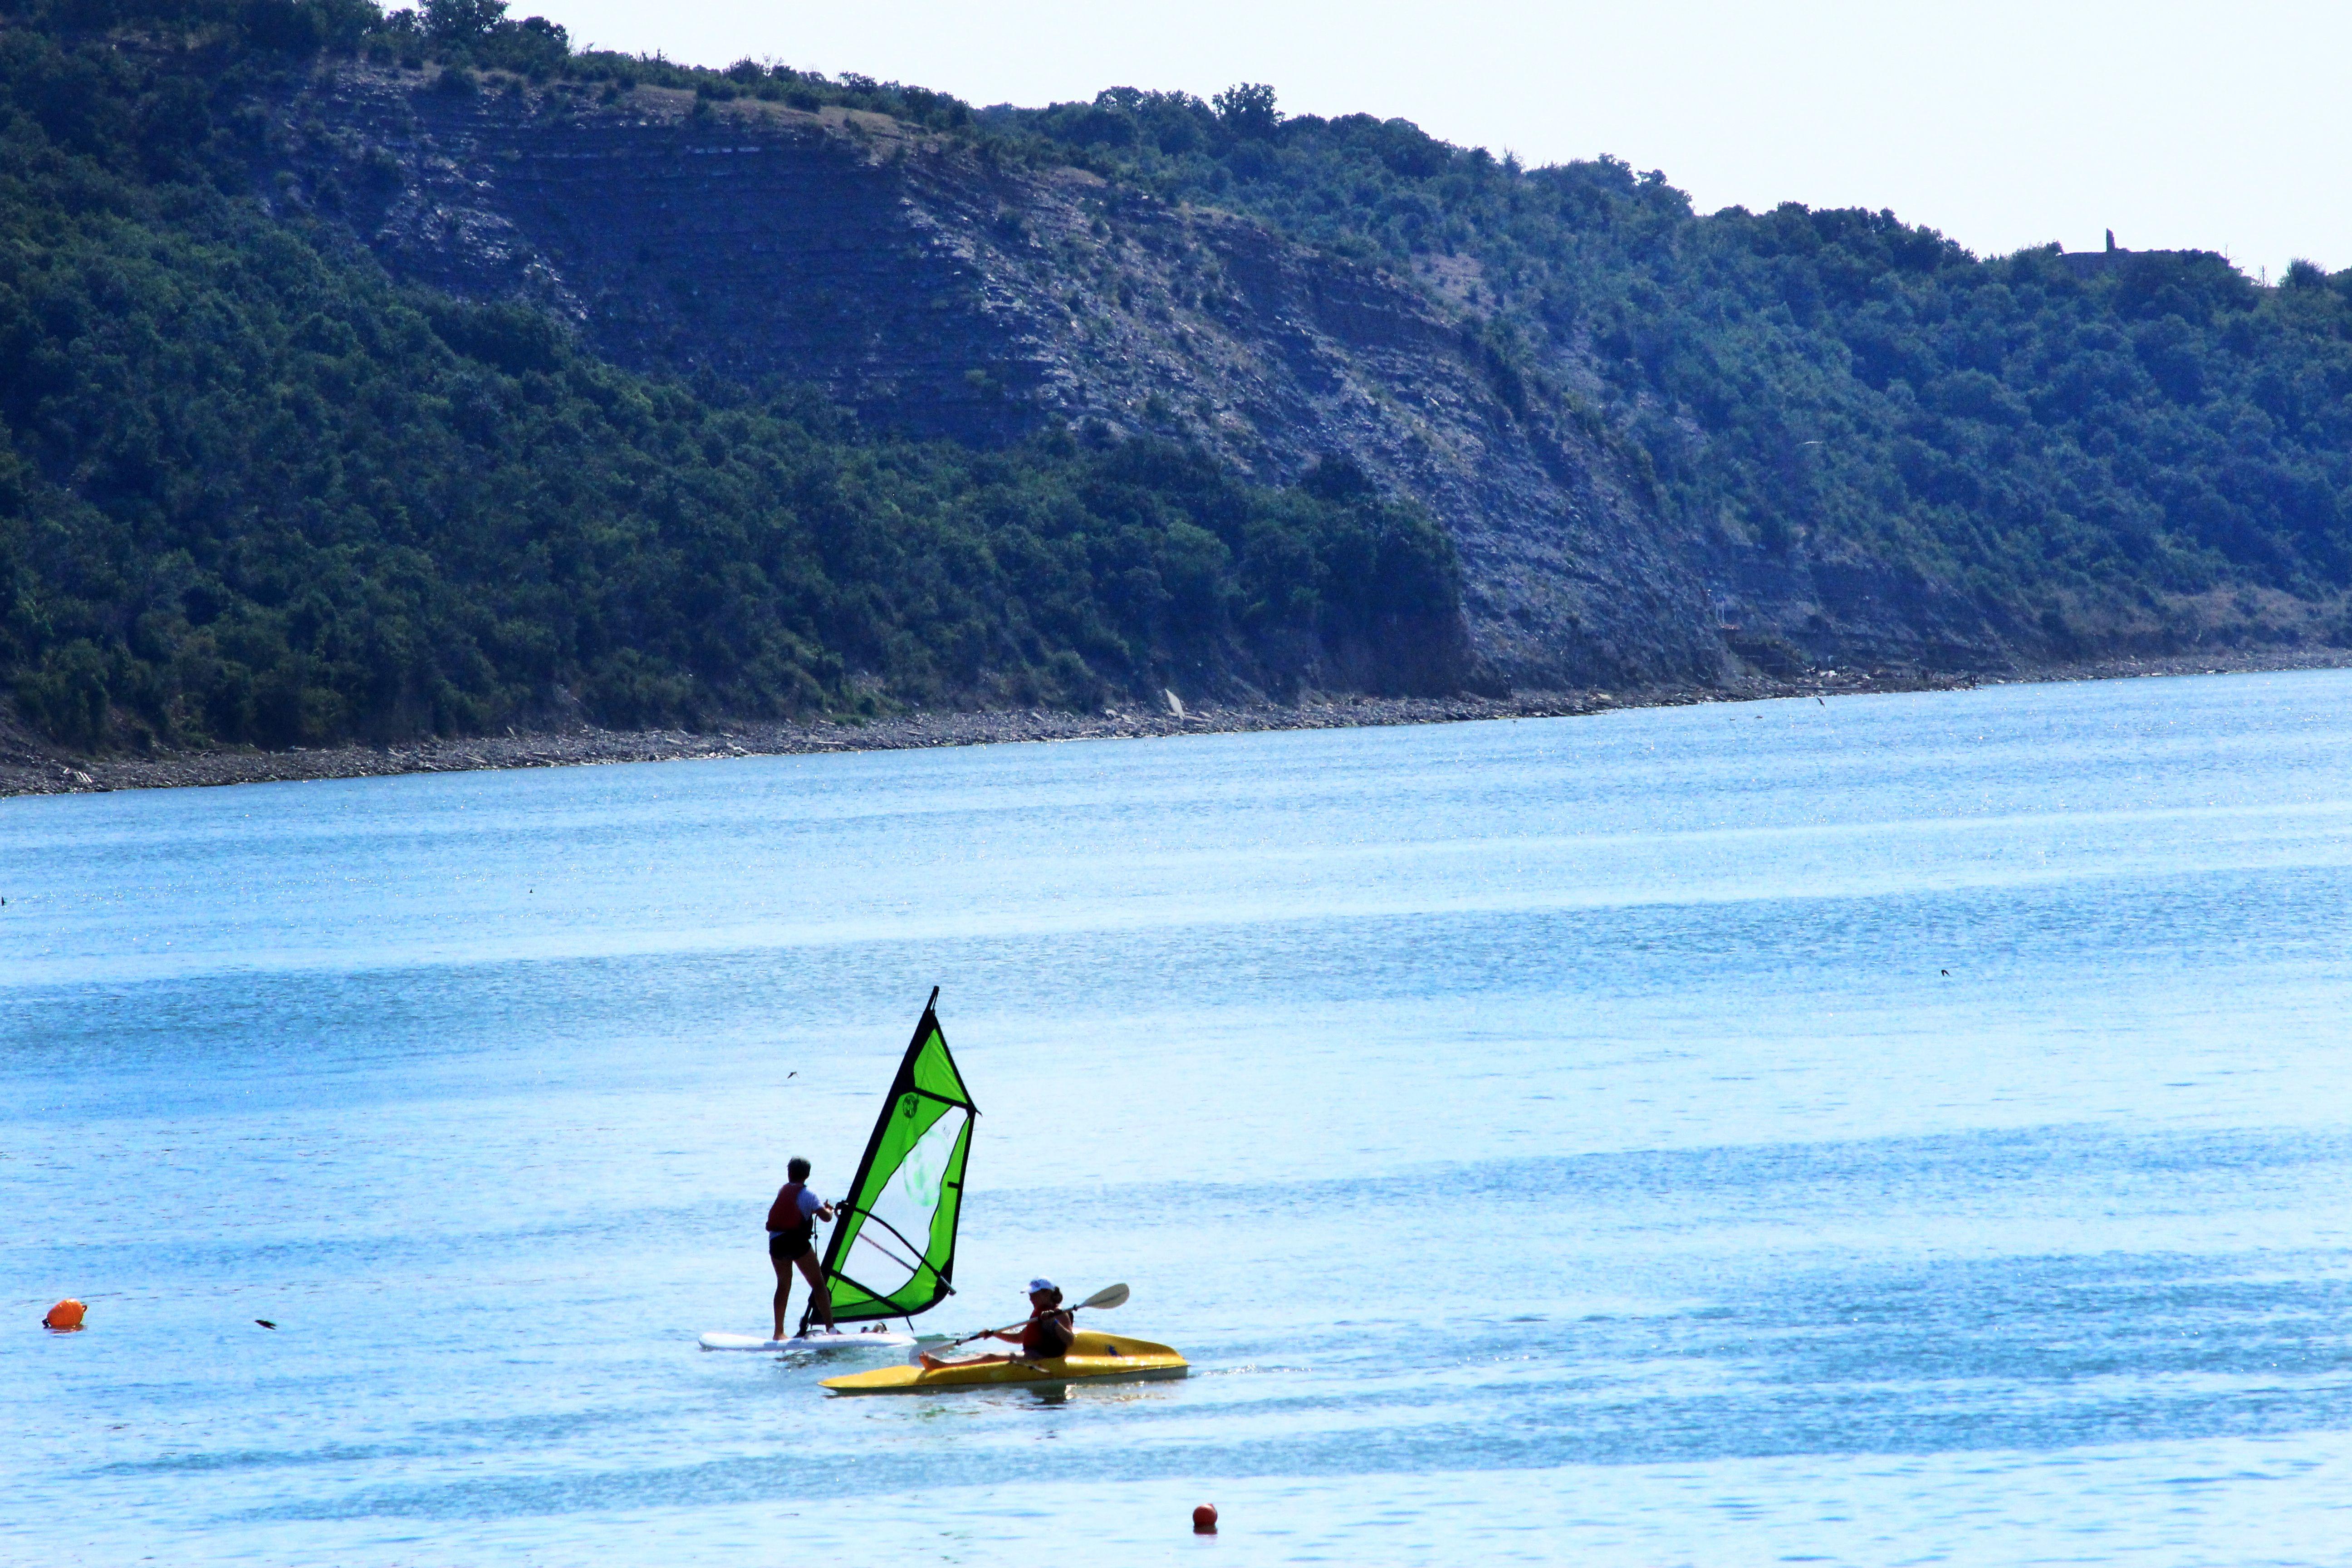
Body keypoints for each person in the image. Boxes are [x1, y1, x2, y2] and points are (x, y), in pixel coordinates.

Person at [919, 1279, 1075, 1370]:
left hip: (1043, 1358)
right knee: (982, 1355)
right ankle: (945, 1363)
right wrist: (995, 1334)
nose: (1030, 1298)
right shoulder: (1039, 1312)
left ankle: (942, 1366)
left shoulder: (1059, 1314)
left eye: (1033, 1295)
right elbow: (1020, 1338)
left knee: (991, 1356)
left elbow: (1070, 1340)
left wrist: (1053, 1322)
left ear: (1046, 1293)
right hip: (1031, 1354)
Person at [767, 1156, 838, 1340]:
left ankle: (778, 1332)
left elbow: (793, 1211)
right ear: (807, 1175)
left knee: (783, 1286)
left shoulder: (783, 1191)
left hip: (776, 1242)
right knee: (819, 1285)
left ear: (789, 1173)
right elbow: (826, 1218)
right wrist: (828, 1210)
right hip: (795, 1242)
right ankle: (831, 1329)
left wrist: (814, 1210)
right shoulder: (810, 1194)